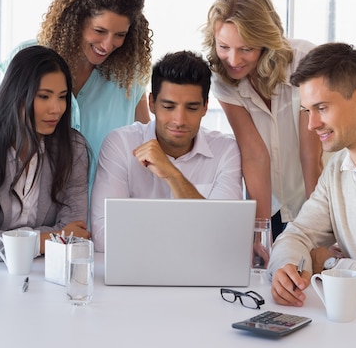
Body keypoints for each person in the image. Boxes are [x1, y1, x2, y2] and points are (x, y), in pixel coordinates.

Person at [269, 42, 356, 308]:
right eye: (307, 110)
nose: (311, 124)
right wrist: (288, 267)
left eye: (322, 108)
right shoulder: (337, 167)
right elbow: (297, 234)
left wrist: (328, 265)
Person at [0, 0, 153, 184]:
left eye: (120, 35)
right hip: (34, 207)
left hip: (103, 209)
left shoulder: (129, 74)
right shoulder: (27, 58)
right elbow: (2, 132)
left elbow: (146, 141)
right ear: (77, 22)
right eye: (99, 30)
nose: (108, 45)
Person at [202, 0, 323, 240]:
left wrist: (318, 226)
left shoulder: (305, 60)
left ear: (265, 42)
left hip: (319, 191)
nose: (233, 60)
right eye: (224, 46)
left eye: (245, 49)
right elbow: (254, 154)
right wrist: (259, 232)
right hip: (275, 201)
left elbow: (310, 152)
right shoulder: (223, 79)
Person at [91, 50, 243, 251]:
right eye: (169, 106)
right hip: (135, 274)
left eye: (191, 108)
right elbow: (104, 236)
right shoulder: (121, 144)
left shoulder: (226, 151)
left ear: (205, 107)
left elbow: (226, 238)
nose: (179, 121)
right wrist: (196, 233)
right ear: (152, 103)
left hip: (201, 276)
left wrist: (172, 175)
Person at [0, 46, 90, 264]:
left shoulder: (74, 148)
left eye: (62, 97)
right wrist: (50, 238)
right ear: (17, 94)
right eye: (44, 96)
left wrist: (7, 240)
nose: (57, 108)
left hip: (48, 273)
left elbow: (76, 232)